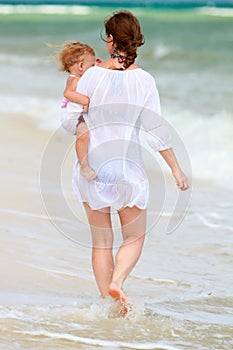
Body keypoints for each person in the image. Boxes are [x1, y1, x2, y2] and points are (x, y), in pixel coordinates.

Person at [66, 10, 189, 316]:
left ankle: (109, 305)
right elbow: (156, 131)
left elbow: (69, 119)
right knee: (134, 236)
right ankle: (118, 282)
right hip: (128, 171)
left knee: (101, 243)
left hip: (92, 168)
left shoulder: (91, 75)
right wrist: (175, 168)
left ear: (109, 40)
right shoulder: (145, 80)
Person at [56, 41, 98, 181]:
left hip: (80, 116)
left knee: (88, 135)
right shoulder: (74, 79)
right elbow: (68, 93)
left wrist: (97, 66)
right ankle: (84, 166)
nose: (94, 68)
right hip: (72, 118)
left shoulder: (82, 77)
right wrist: (86, 101)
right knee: (83, 134)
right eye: (91, 65)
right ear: (81, 66)